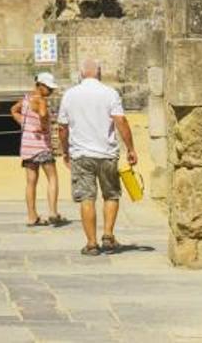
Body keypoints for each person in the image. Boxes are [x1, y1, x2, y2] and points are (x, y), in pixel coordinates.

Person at [56, 59, 138, 256]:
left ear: (81, 74)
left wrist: (65, 150)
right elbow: (121, 121)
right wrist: (131, 148)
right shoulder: (110, 93)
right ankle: (108, 235)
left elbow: (62, 127)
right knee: (111, 194)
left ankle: (91, 243)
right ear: (99, 73)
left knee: (86, 198)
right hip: (107, 153)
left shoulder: (70, 95)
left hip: (81, 155)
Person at [10, 71, 66, 227]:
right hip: (41, 146)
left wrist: (24, 123)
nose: (51, 91)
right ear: (40, 85)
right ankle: (53, 212)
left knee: (30, 182)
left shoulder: (26, 99)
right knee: (52, 177)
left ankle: (32, 216)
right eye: (49, 88)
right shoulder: (41, 101)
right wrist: (43, 125)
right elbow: (42, 114)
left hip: (27, 146)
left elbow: (13, 110)